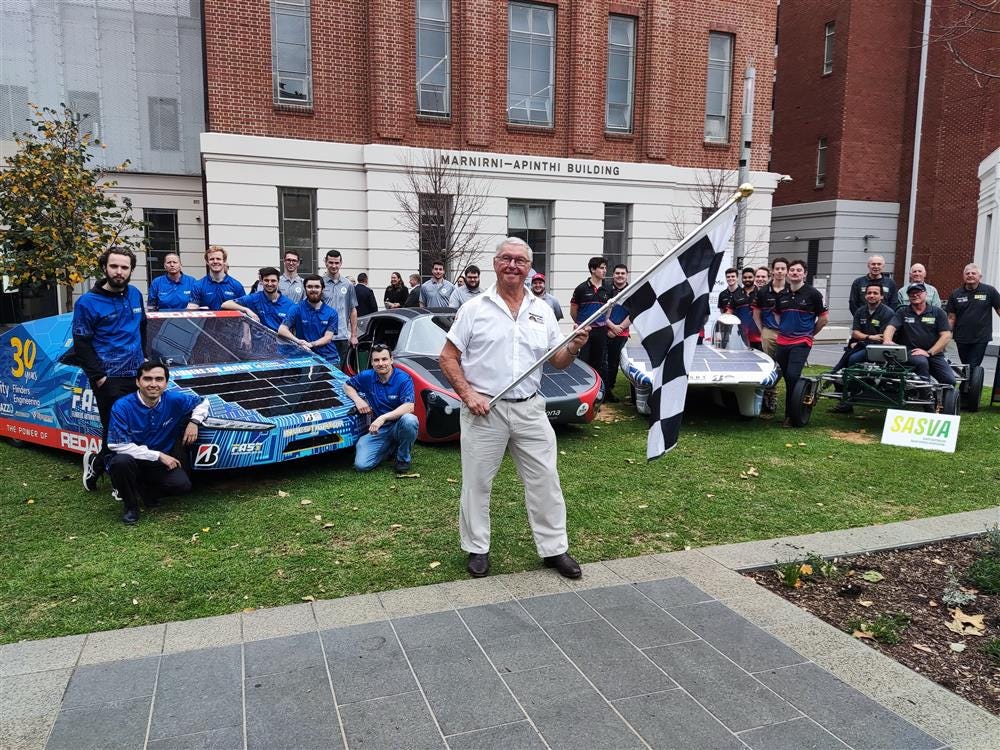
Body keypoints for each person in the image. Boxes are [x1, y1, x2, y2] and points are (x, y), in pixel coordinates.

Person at [440, 237, 590, 580]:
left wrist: (575, 347)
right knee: (477, 483)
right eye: (506, 258)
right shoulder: (474, 309)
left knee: (545, 480)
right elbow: (448, 358)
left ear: (529, 268)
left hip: (530, 410)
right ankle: (477, 549)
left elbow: (559, 360)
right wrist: (468, 394)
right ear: (495, 264)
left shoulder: (542, 311)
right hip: (485, 411)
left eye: (520, 260)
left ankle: (554, 549)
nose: (512, 265)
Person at [75, 247, 147, 492]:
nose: (119, 272)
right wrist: (99, 377)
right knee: (117, 429)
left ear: (131, 270)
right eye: (114, 266)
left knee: (135, 426)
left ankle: (96, 465)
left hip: (137, 374)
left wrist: (145, 362)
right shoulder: (87, 302)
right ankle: (120, 484)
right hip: (109, 378)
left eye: (124, 267)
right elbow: (82, 344)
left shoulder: (136, 294)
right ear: (104, 267)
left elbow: (143, 329)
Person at [106, 361, 208, 524]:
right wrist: (158, 455)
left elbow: (203, 402)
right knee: (120, 462)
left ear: (166, 383)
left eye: (159, 379)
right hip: (134, 460)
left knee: (182, 485)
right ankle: (131, 506)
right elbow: (117, 445)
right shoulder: (122, 406)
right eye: (147, 379)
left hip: (158, 463)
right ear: (138, 382)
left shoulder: (174, 399)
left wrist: (194, 422)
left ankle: (146, 490)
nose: (153, 384)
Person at [343, 345, 419, 473]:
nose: (381, 363)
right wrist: (358, 400)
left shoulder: (403, 379)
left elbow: (409, 407)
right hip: (379, 430)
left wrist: (383, 418)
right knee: (361, 465)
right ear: (372, 362)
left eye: (384, 359)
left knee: (410, 420)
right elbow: (346, 386)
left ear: (391, 360)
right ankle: (390, 447)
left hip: (398, 425)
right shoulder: (367, 376)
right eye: (376, 360)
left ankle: (402, 459)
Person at [773, 260, 828, 426]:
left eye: (799, 270)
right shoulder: (782, 295)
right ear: (788, 274)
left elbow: (824, 318)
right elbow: (777, 315)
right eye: (792, 270)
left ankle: (791, 416)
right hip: (782, 341)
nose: (795, 273)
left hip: (802, 341)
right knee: (788, 377)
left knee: (792, 375)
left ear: (804, 274)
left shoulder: (813, 294)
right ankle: (799, 401)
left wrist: (809, 334)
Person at [830, 281, 895, 413]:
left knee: (852, 360)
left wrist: (861, 340)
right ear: (865, 296)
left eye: (875, 293)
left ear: (882, 296)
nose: (871, 295)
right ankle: (845, 396)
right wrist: (868, 337)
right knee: (838, 371)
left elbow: (882, 337)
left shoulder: (888, 313)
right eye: (869, 293)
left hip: (878, 350)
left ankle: (851, 397)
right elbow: (855, 332)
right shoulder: (860, 311)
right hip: (863, 344)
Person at [883, 283, 955, 384]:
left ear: (925, 294)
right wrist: (887, 340)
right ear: (908, 296)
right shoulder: (902, 312)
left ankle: (939, 395)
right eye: (911, 293)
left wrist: (929, 352)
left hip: (934, 353)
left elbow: (946, 336)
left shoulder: (938, 312)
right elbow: (890, 327)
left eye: (918, 292)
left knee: (949, 381)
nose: (915, 295)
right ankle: (924, 393)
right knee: (921, 361)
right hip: (911, 352)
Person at [752, 258, 789, 418]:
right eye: (777, 268)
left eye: (783, 268)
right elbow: (756, 313)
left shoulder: (792, 289)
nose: (780, 271)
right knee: (769, 366)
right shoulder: (763, 291)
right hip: (769, 332)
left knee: (784, 367)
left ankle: (790, 400)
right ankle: (769, 398)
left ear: (786, 271)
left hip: (789, 334)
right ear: (772, 271)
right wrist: (763, 331)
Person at [946, 263, 1000, 370]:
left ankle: (965, 386)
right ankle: (969, 386)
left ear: (980, 276)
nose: (970, 275)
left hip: (981, 337)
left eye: (973, 273)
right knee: (966, 365)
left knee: (973, 365)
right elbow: (951, 318)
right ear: (963, 276)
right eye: (967, 273)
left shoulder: (990, 291)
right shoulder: (955, 294)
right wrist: (945, 334)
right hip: (961, 337)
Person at [278, 274, 341, 364]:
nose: (313, 290)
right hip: (305, 356)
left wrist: (311, 344)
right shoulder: (296, 308)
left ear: (322, 289)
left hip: (329, 357)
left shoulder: (331, 312)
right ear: (305, 289)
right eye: (309, 287)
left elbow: (328, 337)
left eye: (317, 287)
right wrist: (299, 341)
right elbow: (282, 330)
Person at [571, 256, 612, 389]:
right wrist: (582, 324)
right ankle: (581, 391)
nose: (605, 270)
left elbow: (608, 311)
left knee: (598, 363)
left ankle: (595, 394)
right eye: (601, 268)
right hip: (585, 331)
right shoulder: (581, 288)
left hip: (601, 331)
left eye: (605, 268)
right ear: (593, 269)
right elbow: (573, 311)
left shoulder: (608, 289)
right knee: (583, 362)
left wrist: (603, 323)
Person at [222, 266, 295, 331]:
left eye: (273, 281)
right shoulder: (254, 298)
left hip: (280, 344)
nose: (269, 284)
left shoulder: (289, 305)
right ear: (261, 281)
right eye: (266, 280)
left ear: (278, 281)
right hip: (258, 345)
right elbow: (225, 304)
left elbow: (294, 328)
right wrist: (246, 310)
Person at [320, 249, 359, 365]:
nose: (334, 266)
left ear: (341, 263)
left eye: (336, 263)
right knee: (323, 372)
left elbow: (353, 310)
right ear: (325, 262)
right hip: (323, 335)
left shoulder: (348, 284)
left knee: (339, 372)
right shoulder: (319, 283)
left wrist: (353, 335)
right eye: (331, 262)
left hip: (342, 336)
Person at [604, 264, 631, 402]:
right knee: (603, 362)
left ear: (627, 275)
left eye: (622, 273)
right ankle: (602, 390)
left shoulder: (632, 291)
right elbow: (601, 311)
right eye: (617, 273)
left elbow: (634, 313)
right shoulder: (606, 289)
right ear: (613, 275)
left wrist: (618, 328)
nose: (620, 275)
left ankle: (609, 390)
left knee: (614, 363)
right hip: (605, 331)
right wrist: (611, 327)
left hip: (621, 334)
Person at [189, 246, 245, 310]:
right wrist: (198, 309)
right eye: (211, 259)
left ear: (224, 261)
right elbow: (191, 310)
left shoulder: (236, 285)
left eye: (218, 259)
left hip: (230, 320)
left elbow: (244, 309)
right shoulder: (198, 285)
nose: (215, 261)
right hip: (207, 320)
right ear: (207, 262)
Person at [728, 268, 761, 350]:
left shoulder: (761, 293)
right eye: (745, 277)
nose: (747, 279)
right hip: (741, 337)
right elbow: (729, 312)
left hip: (759, 336)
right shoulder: (736, 294)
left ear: (754, 278)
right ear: (741, 279)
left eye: (750, 277)